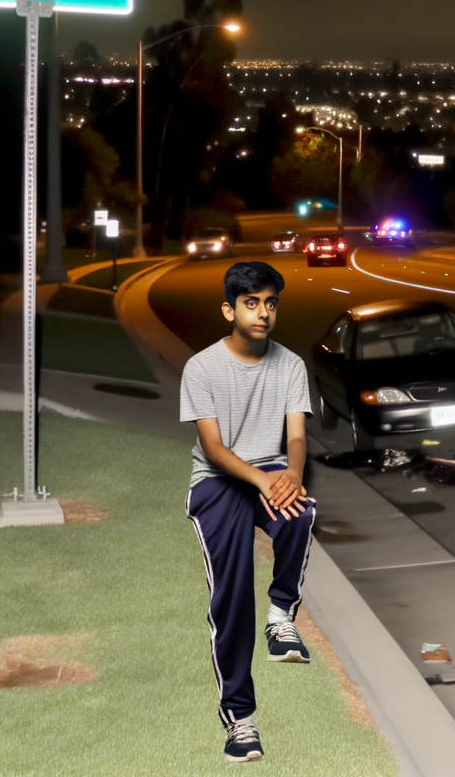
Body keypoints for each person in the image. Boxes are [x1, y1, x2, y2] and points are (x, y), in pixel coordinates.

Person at [181, 260, 315, 763]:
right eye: (252, 303)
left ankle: (281, 614)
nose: (263, 313)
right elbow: (213, 449)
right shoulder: (202, 367)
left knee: (299, 512)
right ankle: (240, 720)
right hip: (218, 483)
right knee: (232, 597)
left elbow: (297, 436)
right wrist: (265, 482)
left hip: (271, 467)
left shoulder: (291, 365)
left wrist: (292, 477)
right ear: (229, 309)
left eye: (271, 303)